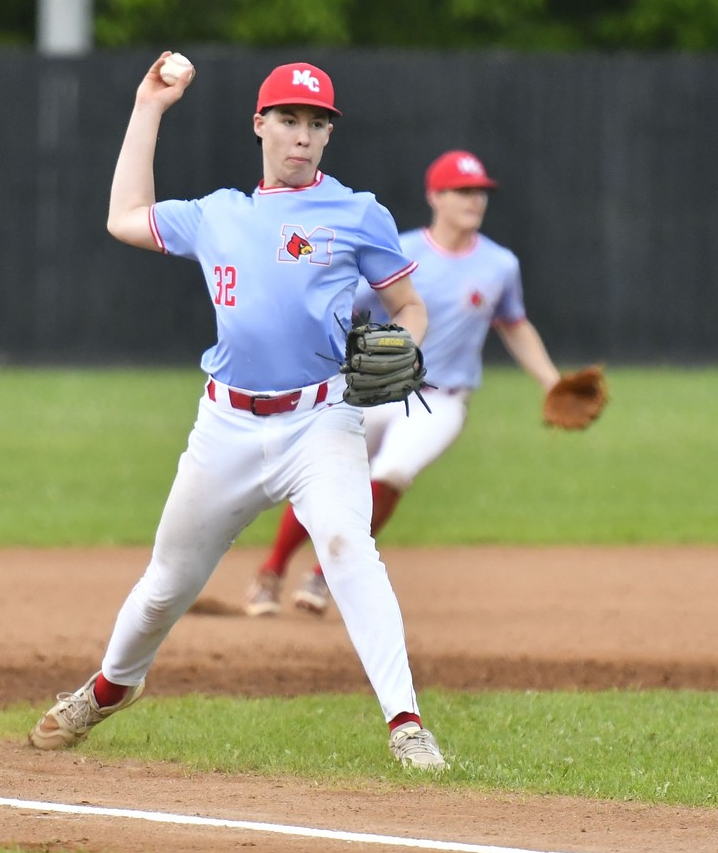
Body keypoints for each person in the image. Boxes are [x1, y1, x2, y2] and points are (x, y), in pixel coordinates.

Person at [27, 53, 447, 771]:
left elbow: (409, 307)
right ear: (260, 124)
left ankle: (406, 723)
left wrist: (405, 342)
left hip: (321, 419)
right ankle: (108, 687)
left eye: (316, 123)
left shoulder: (357, 212)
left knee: (349, 549)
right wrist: (149, 108)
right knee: (166, 587)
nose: (302, 136)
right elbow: (124, 217)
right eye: (288, 119)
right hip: (225, 426)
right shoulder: (220, 214)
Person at [245, 149, 562, 618]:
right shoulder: (401, 251)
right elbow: (343, 307)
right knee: (323, 476)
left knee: (391, 473)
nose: (474, 200)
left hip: (442, 400)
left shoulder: (499, 265)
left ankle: (323, 573)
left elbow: (514, 324)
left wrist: (550, 381)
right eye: (462, 191)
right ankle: (272, 570)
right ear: (435, 196)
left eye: (480, 192)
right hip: (375, 386)